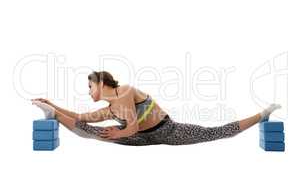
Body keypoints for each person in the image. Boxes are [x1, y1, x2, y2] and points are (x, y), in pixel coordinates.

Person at [31, 71, 281, 146]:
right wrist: (51, 104)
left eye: (89, 86)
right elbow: (79, 117)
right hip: (139, 138)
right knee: (86, 129)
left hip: (168, 131)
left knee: (217, 132)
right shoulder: (109, 110)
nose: (88, 91)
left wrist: (119, 132)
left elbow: (133, 125)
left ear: (101, 82)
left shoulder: (126, 91)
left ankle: (262, 115)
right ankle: (50, 114)